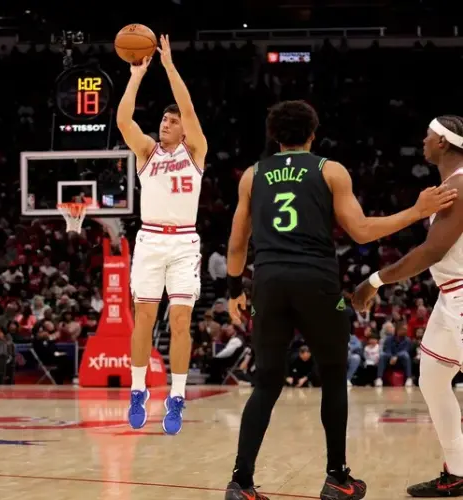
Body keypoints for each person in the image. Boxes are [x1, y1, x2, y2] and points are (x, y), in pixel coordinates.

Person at [222, 101, 456, 500]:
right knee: (332, 378)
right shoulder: (329, 170)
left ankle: (241, 482)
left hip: (269, 281)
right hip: (316, 281)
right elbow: (362, 231)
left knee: (265, 384)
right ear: (314, 134)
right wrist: (415, 211)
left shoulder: (253, 175)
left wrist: (232, 291)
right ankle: (337, 477)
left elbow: (237, 242)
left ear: (274, 136)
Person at [352, 116, 463, 497]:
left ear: (445, 143)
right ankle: (459, 471)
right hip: (449, 295)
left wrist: (375, 280)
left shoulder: (461, 184)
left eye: (429, 136)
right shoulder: (449, 185)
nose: (423, 141)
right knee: (432, 378)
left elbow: (433, 249)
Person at [116, 34, 208, 435]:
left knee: (182, 320)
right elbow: (123, 121)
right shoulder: (147, 153)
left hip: (184, 243)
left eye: (172, 121)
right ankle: (138, 391)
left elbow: (187, 106)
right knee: (144, 320)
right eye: (164, 120)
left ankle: (177, 397)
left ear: (184, 128)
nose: (165, 123)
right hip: (150, 240)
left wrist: (169, 66)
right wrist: (136, 76)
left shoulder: (195, 150)